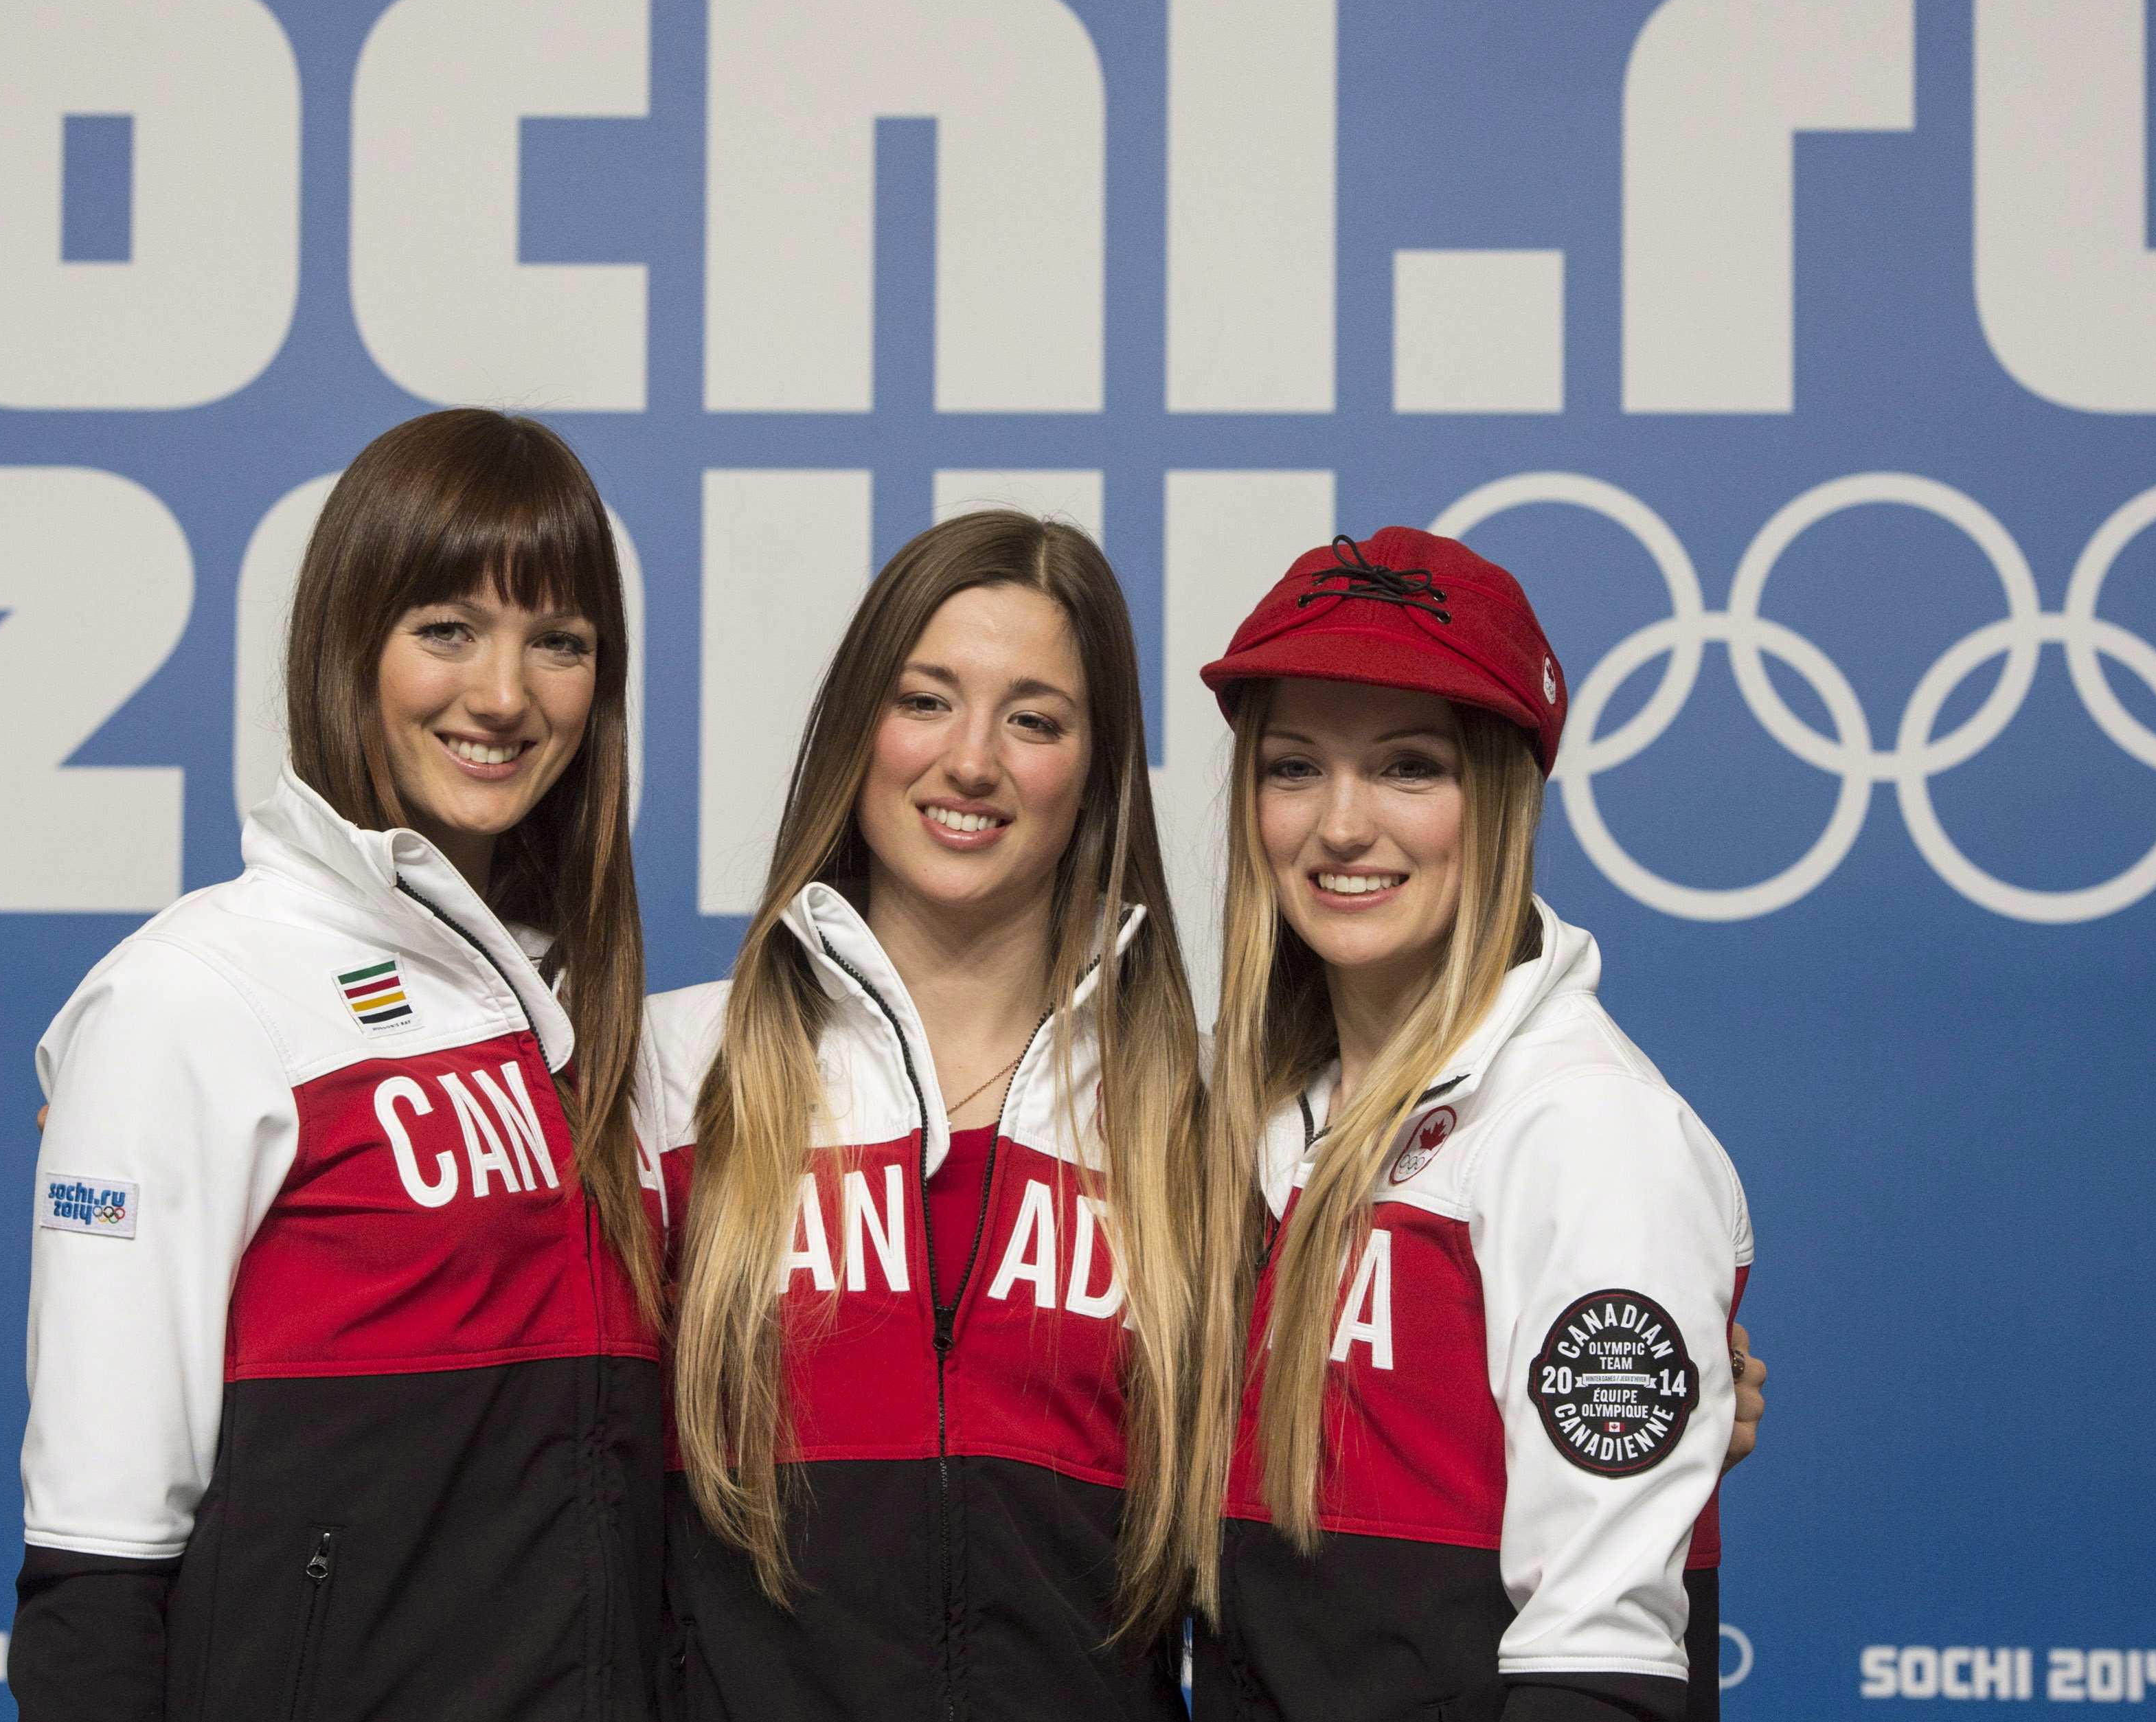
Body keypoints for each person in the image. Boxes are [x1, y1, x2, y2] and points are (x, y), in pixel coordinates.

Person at [11, 411, 664, 1722]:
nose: (503, 694)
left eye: (560, 642)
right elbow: (95, 1563)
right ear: (346, 641)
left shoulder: (597, 1014)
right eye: (446, 628)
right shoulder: (190, 1000)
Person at [643, 510, 1218, 1719]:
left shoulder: (1200, 1119)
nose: (972, 760)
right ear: (858, 730)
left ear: (1097, 768)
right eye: (925, 700)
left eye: (1034, 718)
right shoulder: (673, 1074)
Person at [1189, 529, 1752, 1722]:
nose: (1342, 826)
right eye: (1294, 768)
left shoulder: (1591, 1136)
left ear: (1504, 791)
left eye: (1407, 767)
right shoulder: (1242, 1119)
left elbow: (1604, 1678)